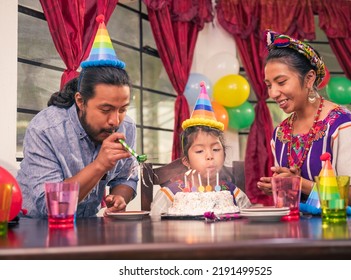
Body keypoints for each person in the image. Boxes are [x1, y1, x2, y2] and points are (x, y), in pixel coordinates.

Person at [17, 15, 138, 218]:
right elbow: (50, 207)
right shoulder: (46, 129)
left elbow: (127, 177)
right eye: (105, 109)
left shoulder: (126, 127)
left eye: (123, 108)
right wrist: (100, 165)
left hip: (85, 226)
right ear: (81, 101)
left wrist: (120, 197)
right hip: (34, 228)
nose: (115, 121)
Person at [257, 30, 351, 215]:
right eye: (269, 85)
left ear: (309, 78)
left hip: (345, 232)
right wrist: (280, 186)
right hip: (297, 234)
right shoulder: (280, 133)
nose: (273, 93)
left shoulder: (344, 127)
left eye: (281, 82)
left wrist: (299, 184)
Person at [150, 83, 251, 215]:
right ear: (186, 161)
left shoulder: (233, 193)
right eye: (199, 151)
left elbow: (247, 224)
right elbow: (155, 225)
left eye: (216, 149)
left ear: (224, 154)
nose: (210, 156)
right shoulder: (170, 194)